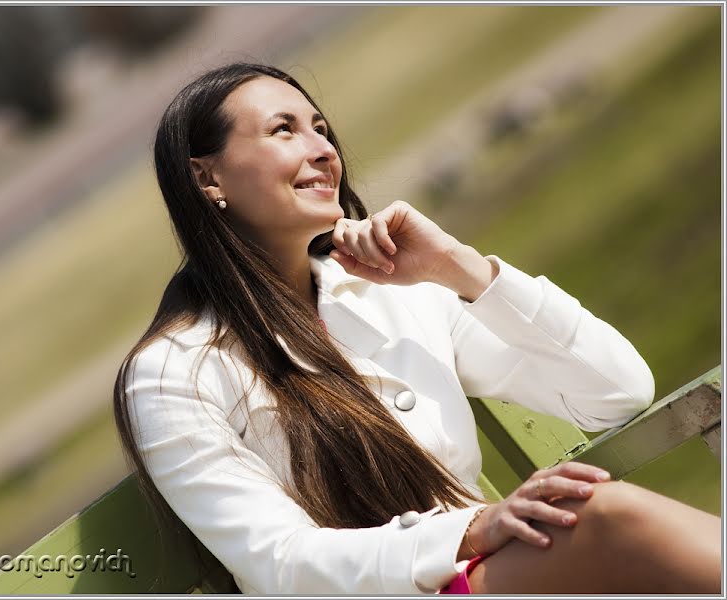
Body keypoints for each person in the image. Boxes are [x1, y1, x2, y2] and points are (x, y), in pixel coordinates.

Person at [113, 62, 721, 594]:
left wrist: (463, 268)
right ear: (206, 179)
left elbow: (616, 392)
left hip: (497, 573)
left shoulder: (386, 295)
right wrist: (473, 525)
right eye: (283, 130)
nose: (323, 149)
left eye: (321, 129)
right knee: (608, 523)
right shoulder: (173, 374)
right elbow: (282, 565)